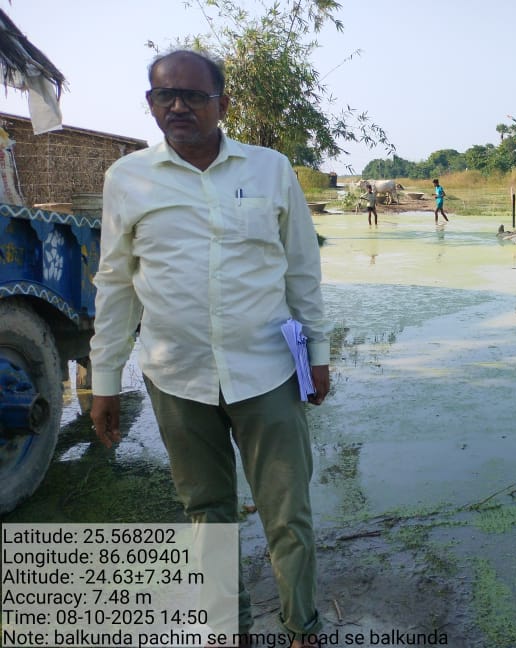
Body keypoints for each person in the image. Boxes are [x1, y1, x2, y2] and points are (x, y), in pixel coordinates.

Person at [89, 49, 330, 648]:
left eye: (193, 96)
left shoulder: (270, 169)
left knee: (288, 512)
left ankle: (302, 629)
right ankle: (229, 630)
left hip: (267, 371)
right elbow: (116, 284)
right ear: (150, 104)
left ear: (222, 103)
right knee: (207, 514)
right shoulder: (128, 179)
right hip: (176, 376)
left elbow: (302, 269)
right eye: (164, 96)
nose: (178, 106)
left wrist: (318, 354)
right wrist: (104, 381)